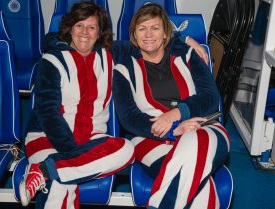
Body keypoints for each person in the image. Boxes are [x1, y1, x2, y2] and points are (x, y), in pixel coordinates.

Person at [112, 3, 230, 209]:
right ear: (133, 34)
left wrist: (177, 113)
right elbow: (129, 117)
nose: (148, 34)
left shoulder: (187, 55)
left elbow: (211, 97)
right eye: (142, 28)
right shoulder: (123, 66)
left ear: (166, 33)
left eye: (155, 28)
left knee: (196, 142)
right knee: (200, 184)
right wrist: (173, 130)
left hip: (202, 125)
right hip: (150, 136)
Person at [18, 3, 135, 208]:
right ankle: (54, 170)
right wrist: (71, 152)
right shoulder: (52, 60)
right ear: (70, 27)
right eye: (79, 25)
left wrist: (185, 40)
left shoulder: (109, 54)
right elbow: (48, 113)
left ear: (100, 32)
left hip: (91, 138)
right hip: (48, 137)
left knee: (127, 149)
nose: (84, 33)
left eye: (92, 27)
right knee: (62, 185)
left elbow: (149, 42)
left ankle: (43, 170)